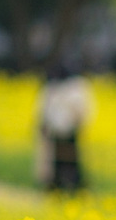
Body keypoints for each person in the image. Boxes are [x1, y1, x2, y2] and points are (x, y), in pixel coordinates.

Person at [35, 62, 95, 191]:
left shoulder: (75, 88)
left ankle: (72, 185)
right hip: (57, 131)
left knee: (70, 159)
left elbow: (82, 111)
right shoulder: (54, 88)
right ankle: (58, 185)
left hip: (69, 130)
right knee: (57, 160)